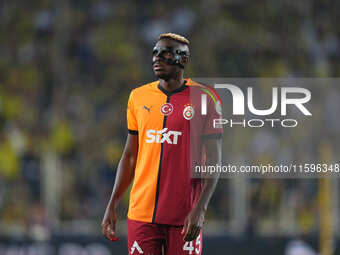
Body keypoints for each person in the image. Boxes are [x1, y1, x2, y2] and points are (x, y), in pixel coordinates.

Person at [102, 33, 222, 255]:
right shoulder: (138, 97)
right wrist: (112, 203)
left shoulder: (205, 98)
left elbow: (214, 160)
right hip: (141, 215)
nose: (157, 58)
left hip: (185, 215)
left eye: (166, 53)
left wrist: (200, 209)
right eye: (155, 53)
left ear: (183, 60)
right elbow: (129, 156)